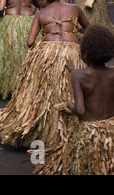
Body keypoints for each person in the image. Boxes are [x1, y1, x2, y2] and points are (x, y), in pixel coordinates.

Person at [0, 0, 90, 149]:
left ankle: (44, 128)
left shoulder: (41, 14)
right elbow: (88, 28)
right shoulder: (74, 8)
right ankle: (71, 130)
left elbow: (30, 42)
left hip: (47, 53)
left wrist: (40, 52)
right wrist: (74, 30)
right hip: (71, 53)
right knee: (71, 89)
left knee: (45, 91)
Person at [34, 24, 114, 175]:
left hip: (90, 132)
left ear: (84, 54)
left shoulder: (78, 76)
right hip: (110, 130)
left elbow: (80, 109)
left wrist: (69, 105)